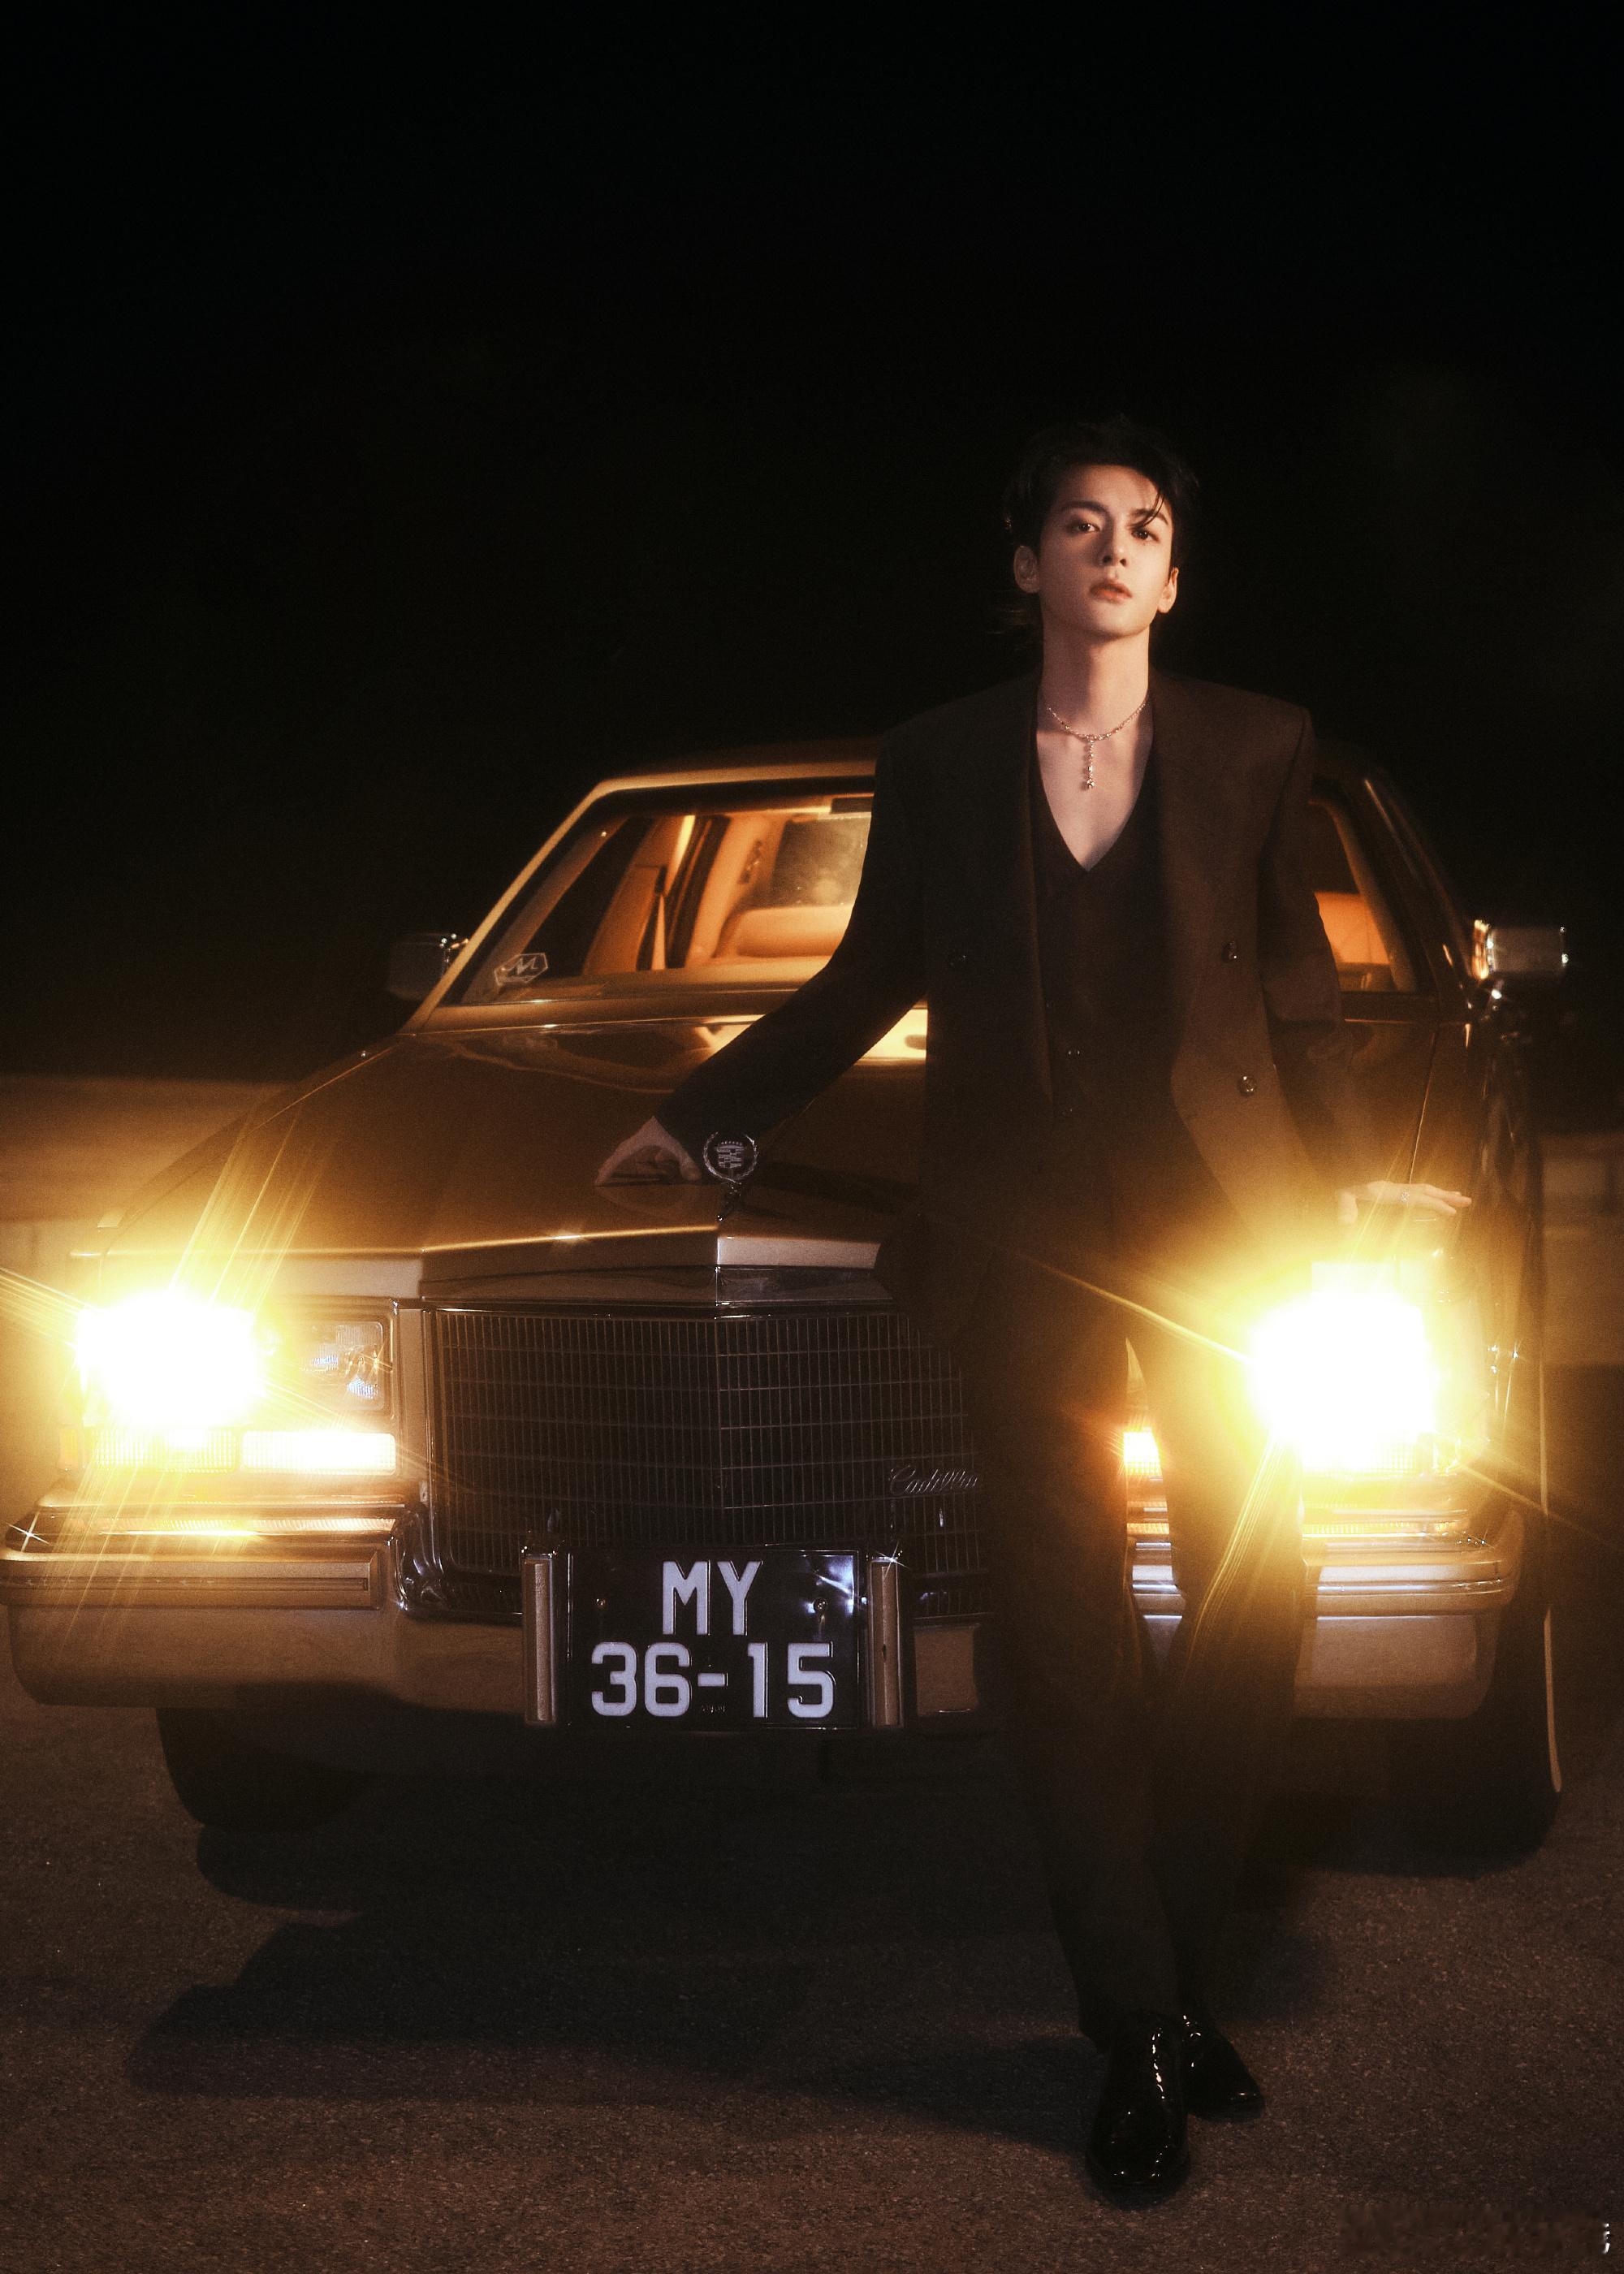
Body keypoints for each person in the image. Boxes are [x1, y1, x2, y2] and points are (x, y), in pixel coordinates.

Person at [597, 415, 1467, 2197]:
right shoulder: (938, 758)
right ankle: (1136, 2019)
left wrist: (1365, 1186)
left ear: (1173, 574)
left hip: (1229, 1235)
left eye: (1144, 526)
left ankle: (1175, 1960)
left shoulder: (1255, 742)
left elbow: (1297, 999)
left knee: (1255, 1594)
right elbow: (866, 975)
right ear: (1027, 562)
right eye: (1081, 523)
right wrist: (706, 1119)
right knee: (1063, 1631)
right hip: (1022, 1236)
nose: (1115, 547)